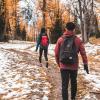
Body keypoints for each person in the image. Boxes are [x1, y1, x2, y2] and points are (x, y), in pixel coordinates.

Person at [54, 22, 89, 100]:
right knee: (73, 83)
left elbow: (56, 53)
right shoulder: (78, 40)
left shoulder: (60, 39)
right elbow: (83, 53)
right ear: (74, 29)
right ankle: (73, 98)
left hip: (63, 66)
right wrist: (85, 63)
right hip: (74, 66)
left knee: (64, 85)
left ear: (65, 28)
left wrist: (59, 64)